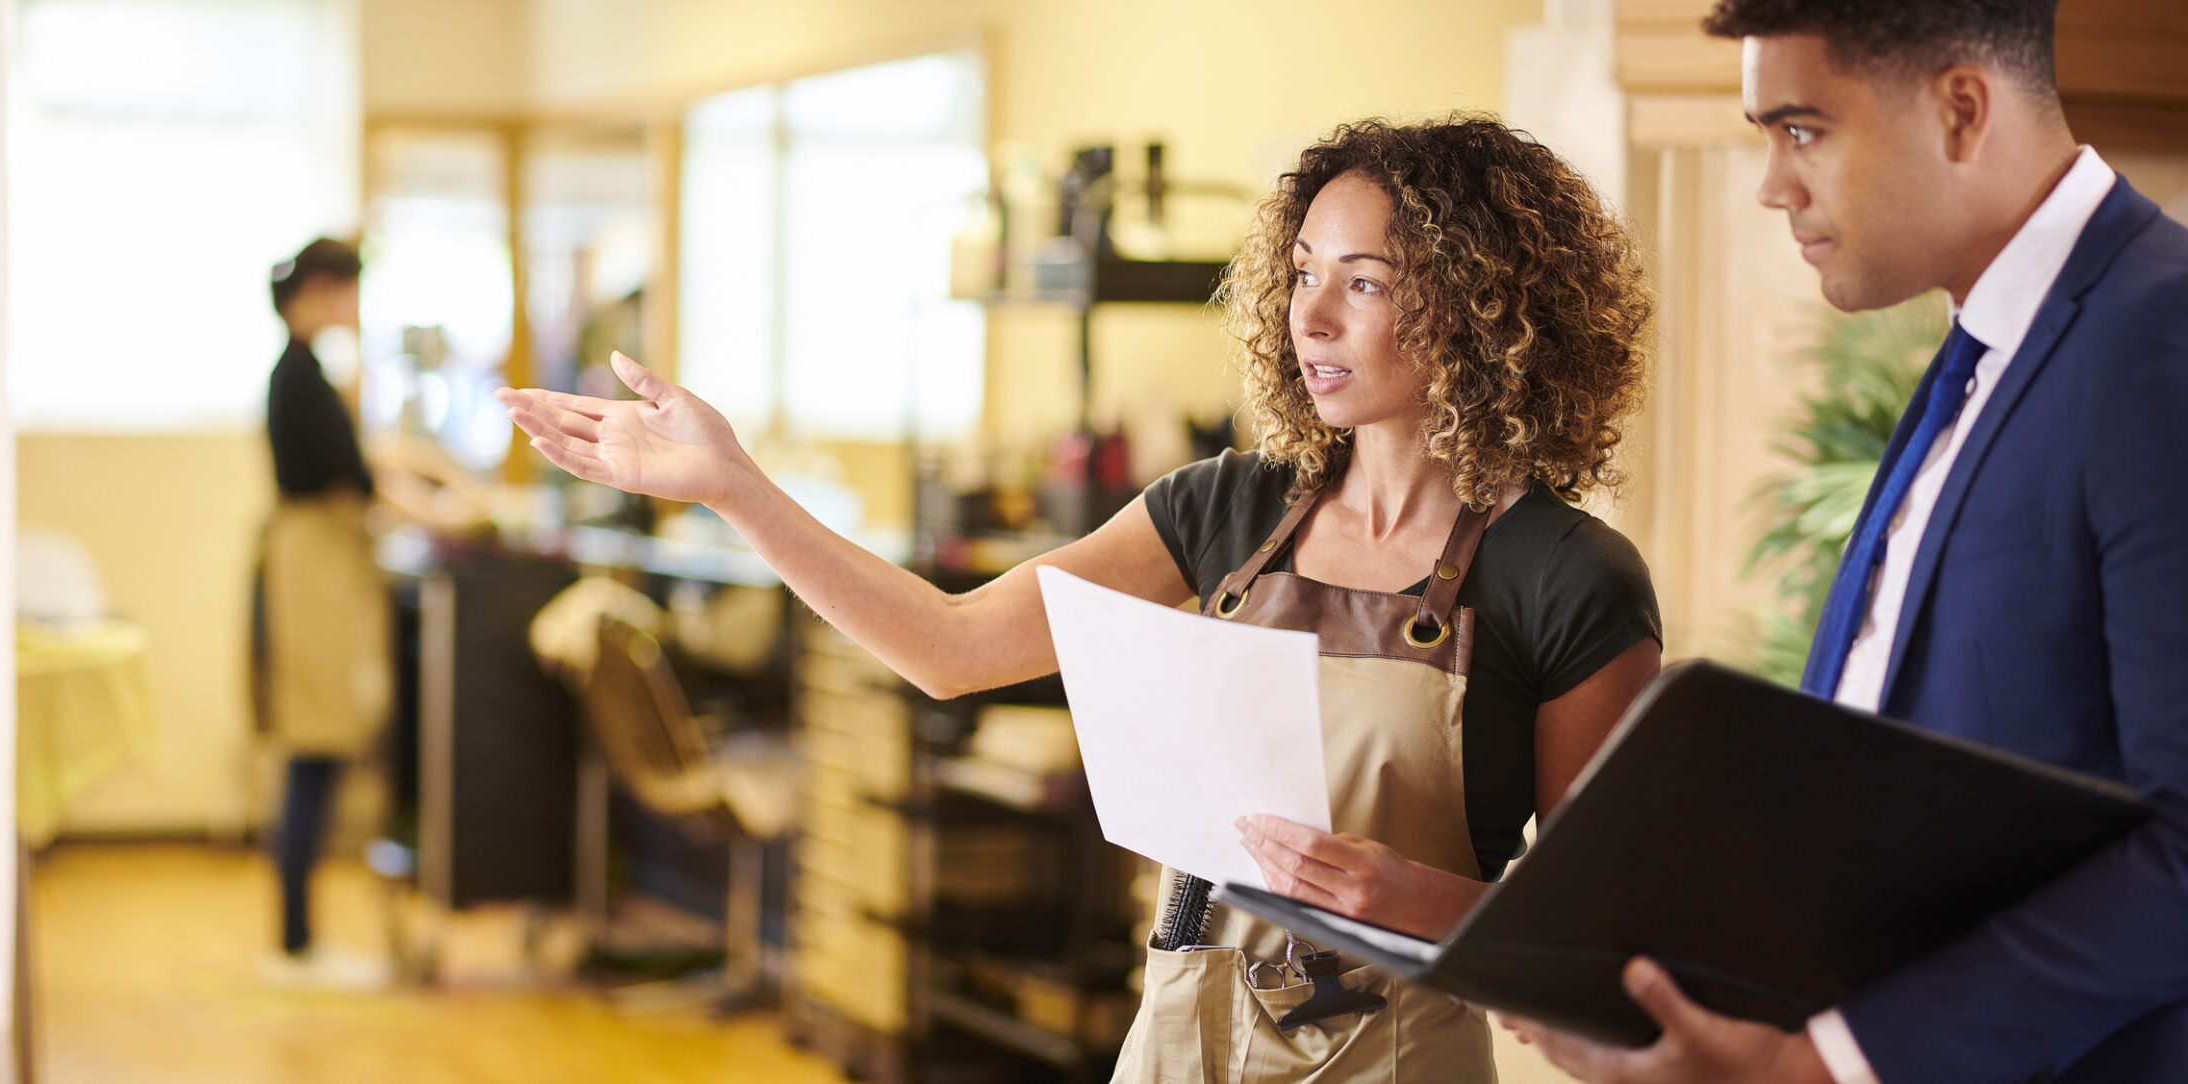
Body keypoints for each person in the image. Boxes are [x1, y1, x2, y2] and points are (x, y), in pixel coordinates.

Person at [502, 117, 1663, 1082]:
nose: (1310, 316)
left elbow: (1594, 953)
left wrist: (1416, 896)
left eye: (1362, 284)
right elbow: (947, 646)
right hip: (1176, 1039)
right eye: (1303, 272)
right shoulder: (1222, 512)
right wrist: (733, 487)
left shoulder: (1567, 580)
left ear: (1478, 306)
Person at [1506, 2, 2188, 1082]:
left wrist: (1821, 1065)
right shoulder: (1978, 351)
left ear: (1960, 108)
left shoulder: (2159, 335)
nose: (1773, 183)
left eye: (1800, 129)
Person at [254, 237, 395, 987]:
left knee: (319, 753)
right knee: (314, 752)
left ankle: (299, 937)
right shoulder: (299, 379)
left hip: (319, 575)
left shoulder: (307, 374)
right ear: (317, 289)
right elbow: (354, 476)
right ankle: (297, 941)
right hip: (311, 580)